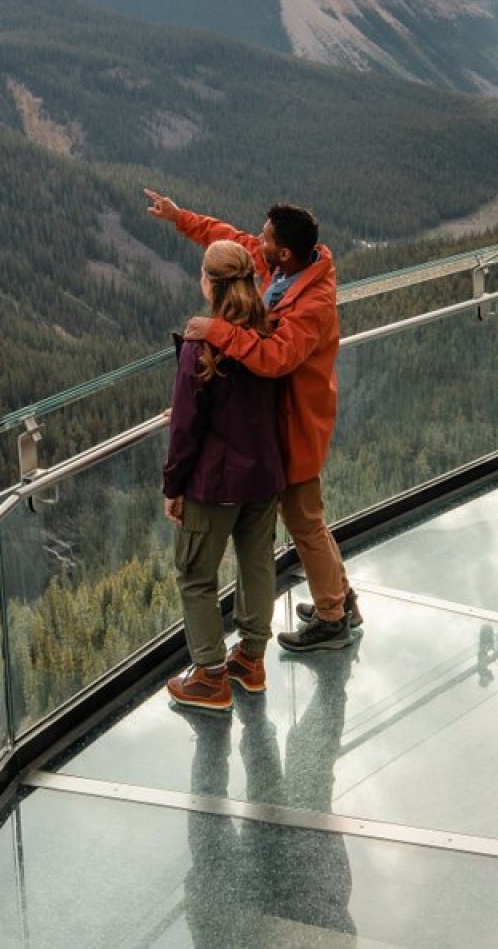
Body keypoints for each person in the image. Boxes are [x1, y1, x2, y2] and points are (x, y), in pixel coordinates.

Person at [145, 189, 360, 651]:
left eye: (264, 238)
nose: (255, 241)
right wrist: (180, 217)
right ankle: (341, 598)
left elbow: (279, 357)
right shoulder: (285, 269)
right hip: (276, 421)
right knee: (309, 520)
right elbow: (229, 236)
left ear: (283, 251)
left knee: (304, 522)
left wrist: (216, 331)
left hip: (296, 425)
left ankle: (332, 618)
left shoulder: (313, 302)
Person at [162, 240, 286, 711]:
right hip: (264, 475)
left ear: (209, 282)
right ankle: (250, 661)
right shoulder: (270, 335)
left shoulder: (202, 345)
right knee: (256, 565)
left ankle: (210, 677)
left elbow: (185, 429)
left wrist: (173, 486)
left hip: (214, 484)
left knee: (195, 575)